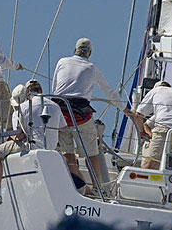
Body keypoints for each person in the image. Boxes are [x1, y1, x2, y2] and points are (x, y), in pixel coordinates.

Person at [52, 38, 132, 194]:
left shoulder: (62, 62)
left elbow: (55, 89)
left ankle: (77, 186)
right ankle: (97, 188)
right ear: (89, 52)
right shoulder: (91, 68)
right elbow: (109, 91)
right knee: (92, 153)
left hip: (60, 114)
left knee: (68, 153)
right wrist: (125, 110)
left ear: (74, 50)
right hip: (80, 115)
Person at [0, 81, 67, 208]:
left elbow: (19, 136)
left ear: (27, 93)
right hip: (52, 146)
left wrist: (10, 135)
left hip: (32, 146)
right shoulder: (55, 105)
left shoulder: (23, 108)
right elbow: (63, 129)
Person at [134, 81, 172, 169]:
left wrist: (141, 132)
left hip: (163, 130)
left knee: (150, 165)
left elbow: (138, 115)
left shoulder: (156, 91)